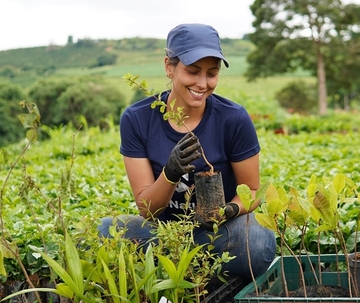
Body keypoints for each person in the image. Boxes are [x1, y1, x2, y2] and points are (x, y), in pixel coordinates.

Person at [98, 23, 276, 284]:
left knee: (259, 240)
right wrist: (170, 174)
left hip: (218, 234)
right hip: (165, 234)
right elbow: (147, 210)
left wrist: (229, 210)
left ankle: (179, 274)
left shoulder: (233, 118)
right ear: (169, 67)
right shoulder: (137, 119)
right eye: (193, 71)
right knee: (108, 230)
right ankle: (202, 273)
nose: (202, 83)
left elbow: (251, 192)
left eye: (211, 74)